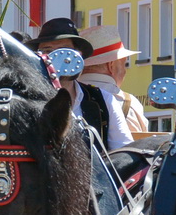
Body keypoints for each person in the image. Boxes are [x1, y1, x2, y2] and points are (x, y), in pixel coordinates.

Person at [26, 18, 133, 151]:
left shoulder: (103, 100)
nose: (56, 57)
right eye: (47, 51)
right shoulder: (26, 99)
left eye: (64, 50)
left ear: (79, 55)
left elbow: (123, 152)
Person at [79, 28, 148, 136]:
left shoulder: (68, 96)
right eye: (124, 64)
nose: (125, 71)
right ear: (111, 65)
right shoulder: (129, 103)